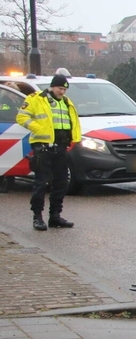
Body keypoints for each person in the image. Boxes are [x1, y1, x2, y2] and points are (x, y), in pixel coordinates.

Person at [16, 74, 81, 230]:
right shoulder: (36, 98)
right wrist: (39, 128)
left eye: (65, 89)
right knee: (41, 183)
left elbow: (70, 122)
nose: (62, 92)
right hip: (43, 147)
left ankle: (55, 216)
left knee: (61, 182)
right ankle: (37, 217)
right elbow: (21, 117)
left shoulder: (66, 102)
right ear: (52, 86)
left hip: (60, 147)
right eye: (60, 88)